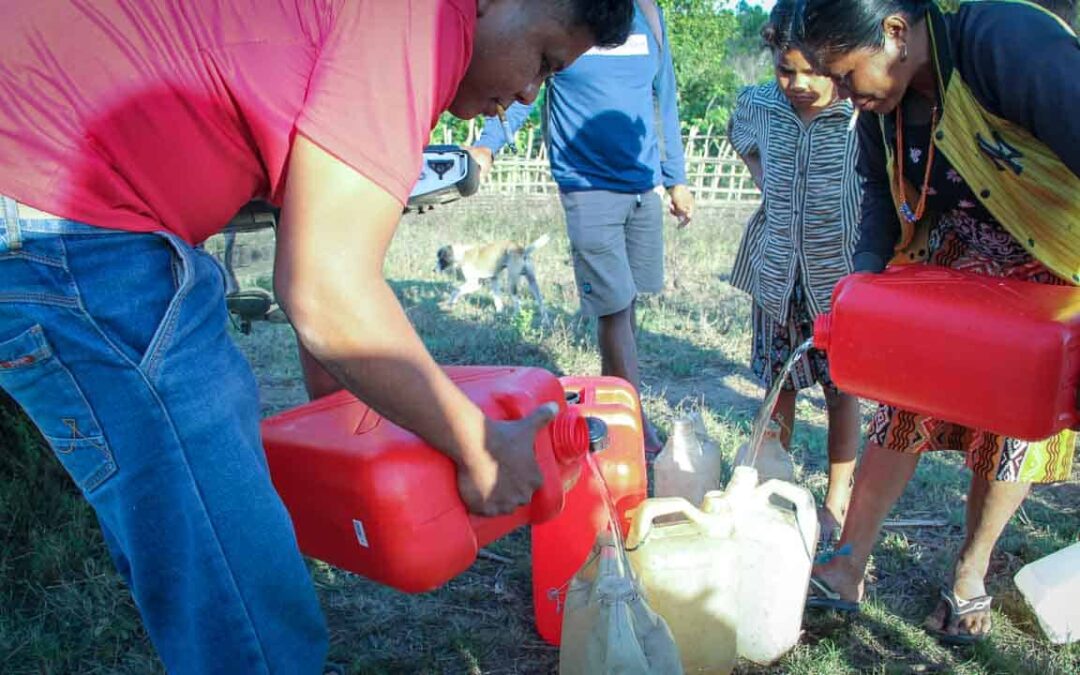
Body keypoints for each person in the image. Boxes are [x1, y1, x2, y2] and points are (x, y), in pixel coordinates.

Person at [0, 1, 635, 672]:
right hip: (67, 217)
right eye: (544, 60)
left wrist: (350, 424)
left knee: (197, 547)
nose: (530, 94)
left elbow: (305, 233)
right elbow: (326, 289)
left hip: (48, 197)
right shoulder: (420, 23)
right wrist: (478, 446)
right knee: (242, 591)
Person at [792, 0, 1079, 646]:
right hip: (950, 260)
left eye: (843, 75)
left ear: (895, 33)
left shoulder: (1005, 42)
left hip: (1050, 262)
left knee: (1012, 429)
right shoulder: (883, 103)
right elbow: (877, 196)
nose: (839, 94)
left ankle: (971, 569)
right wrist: (862, 286)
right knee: (900, 403)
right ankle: (847, 562)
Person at [466, 0, 695, 457]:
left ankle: (618, 402)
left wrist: (676, 177)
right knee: (614, 307)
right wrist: (487, 146)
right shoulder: (568, 11)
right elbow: (523, 82)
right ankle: (634, 424)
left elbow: (662, 95)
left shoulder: (648, 14)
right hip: (587, 185)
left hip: (641, 184)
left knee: (629, 305)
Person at [727, 0, 863, 547]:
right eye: (787, 69)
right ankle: (771, 485)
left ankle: (835, 502)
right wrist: (767, 183)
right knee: (777, 385)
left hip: (842, 283)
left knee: (841, 391)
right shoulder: (759, 105)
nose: (801, 83)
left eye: (816, 71)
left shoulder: (862, 113)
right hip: (777, 272)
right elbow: (742, 139)